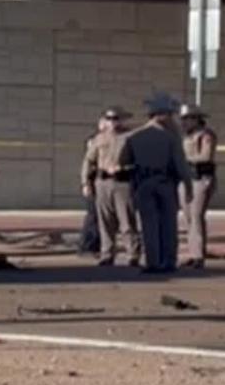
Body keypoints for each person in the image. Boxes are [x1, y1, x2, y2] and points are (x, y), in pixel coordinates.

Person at [120, 92, 194, 274]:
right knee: (168, 224)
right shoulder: (171, 138)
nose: (172, 118)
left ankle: (152, 261)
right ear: (162, 115)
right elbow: (180, 164)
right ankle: (168, 261)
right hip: (165, 183)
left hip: (143, 184)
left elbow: (123, 162)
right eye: (170, 114)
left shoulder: (133, 137)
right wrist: (188, 186)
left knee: (149, 226)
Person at [82, 107, 141, 267]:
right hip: (102, 182)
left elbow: (139, 162)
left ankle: (132, 254)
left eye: (116, 119)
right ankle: (107, 253)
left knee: (126, 220)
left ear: (122, 120)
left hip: (123, 183)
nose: (113, 122)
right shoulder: (99, 139)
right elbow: (89, 161)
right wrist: (86, 182)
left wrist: (123, 169)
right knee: (105, 221)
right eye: (109, 119)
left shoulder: (131, 137)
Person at [178, 104, 217, 269]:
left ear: (197, 119)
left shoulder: (205, 135)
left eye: (188, 118)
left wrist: (184, 159)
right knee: (188, 218)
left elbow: (206, 156)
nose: (185, 122)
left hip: (200, 177)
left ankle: (199, 255)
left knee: (196, 216)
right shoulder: (184, 136)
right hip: (185, 179)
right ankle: (193, 253)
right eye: (183, 119)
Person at [78, 117, 107, 256]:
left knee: (101, 217)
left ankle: (96, 245)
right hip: (94, 181)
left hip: (103, 183)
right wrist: (86, 183)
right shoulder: (95, 140)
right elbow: (88, 163)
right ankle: (86, 246)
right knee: (93, 216)